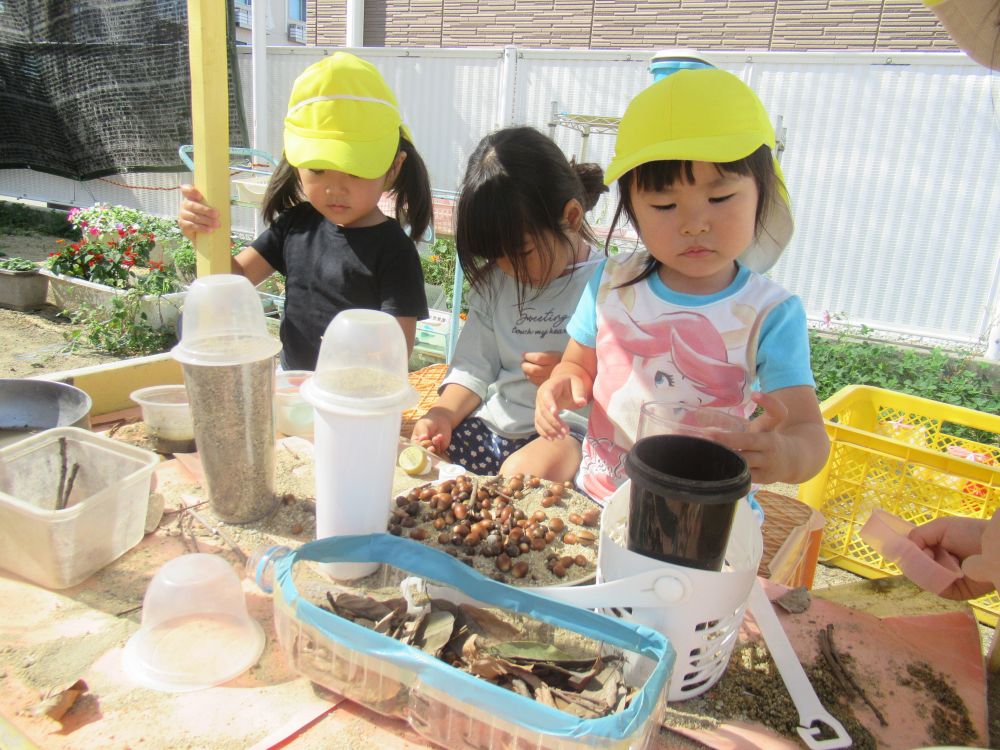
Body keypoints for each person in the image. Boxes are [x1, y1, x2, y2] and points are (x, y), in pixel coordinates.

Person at [534, 68, 829, 502]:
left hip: (707, 517)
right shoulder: (610, 282)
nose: (694, 224)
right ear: (633, 209)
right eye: (664, 204)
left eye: (720, 198)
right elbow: (578, 365)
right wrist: (561, 382)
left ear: (762, 194)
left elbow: (808, 433)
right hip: (602, 498)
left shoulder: (769, 313)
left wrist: (785, 454)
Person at [177, 52, 432, 371]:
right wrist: (205, 235)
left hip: (357, 397)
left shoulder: (394, 250)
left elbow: (398, 348)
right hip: (294, 386)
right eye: (318, 168)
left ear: (393, 168)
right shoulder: (296, 225)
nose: (335, 187)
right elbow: (236, 278)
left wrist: (350, 362)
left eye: (355, 171)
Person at [410, 126, 607, 481]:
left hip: (566, 434)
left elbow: (633, 384)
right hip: (492, 427)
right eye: (495, 256)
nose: (508, 268)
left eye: (520, 253)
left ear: (572, 218)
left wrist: (575, 373)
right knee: (409, 461)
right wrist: (442, 414)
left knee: (519, 474)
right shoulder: (496, 283)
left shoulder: (610, 286)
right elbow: (474, 368)